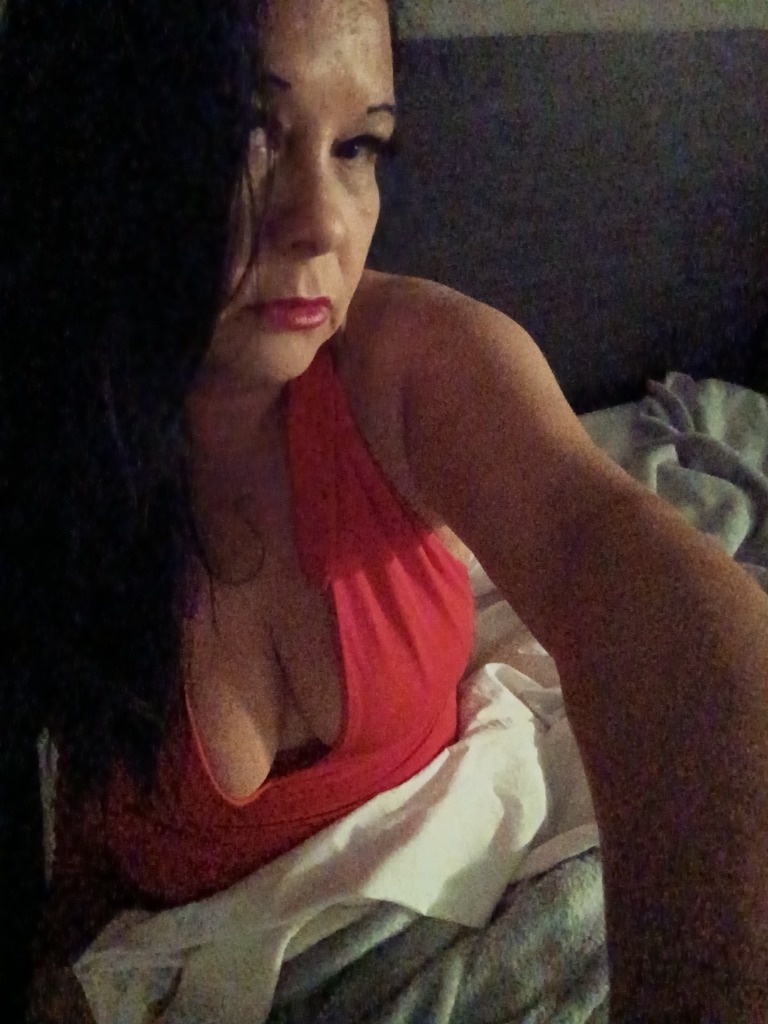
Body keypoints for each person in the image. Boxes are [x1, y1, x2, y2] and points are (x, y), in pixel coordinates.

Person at [1, 0, 767, 1021]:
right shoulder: (50, 466)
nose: (324, 222)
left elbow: (636, 580)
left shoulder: (407, 367)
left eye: (358, 147)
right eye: (249, 135)